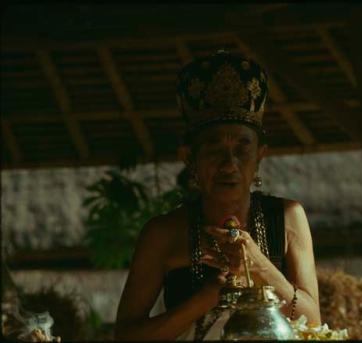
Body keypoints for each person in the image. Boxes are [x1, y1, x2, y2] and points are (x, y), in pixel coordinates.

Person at [114, 51, 321, 340]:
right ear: (190, 158)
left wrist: (259, 265)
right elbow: (126, 337)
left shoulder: (287, 217)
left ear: (260, 155)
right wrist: (207, 298)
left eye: (242, 148)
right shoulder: (162, 233)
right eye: (214, 148)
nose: (229, 164)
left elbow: (313, 323)